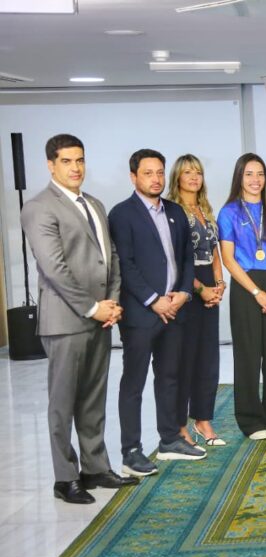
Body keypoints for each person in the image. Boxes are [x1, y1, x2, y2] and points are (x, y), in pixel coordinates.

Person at [21, 134, 137, 504]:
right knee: (63, 402)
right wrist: (92, 307)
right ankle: (64, 478)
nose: (75, 168)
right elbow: (54, 268)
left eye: (80, 160)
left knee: (92, 398)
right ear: (51, 165)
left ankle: (95, 467)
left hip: (100, 316)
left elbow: (111, 259)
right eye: (67, 161)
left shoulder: (95, 204)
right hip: (66, 320)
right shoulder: (39, 207)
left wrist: (113, 303)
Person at [109, 149, 205, 477]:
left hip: (175, 310)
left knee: (170, 377)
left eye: (160, 172)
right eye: (148, 173)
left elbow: (186, 258)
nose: (156, 179)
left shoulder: (176, 212)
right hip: (141, 315)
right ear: (133, 176)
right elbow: (126, 263)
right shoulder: (122, 214)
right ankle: (131, 451)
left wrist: (181, 294)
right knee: (133, 382)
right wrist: (154, 300)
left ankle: (169, 441)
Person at [218, 153, 266, 440]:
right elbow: (228, 259)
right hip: (246, 285)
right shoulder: (229, 213)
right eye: (249, 174)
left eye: (260, 174)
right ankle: (251, 419)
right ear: (239, 177)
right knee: (248, 355)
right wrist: (257, 292)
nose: (255, 180)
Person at [167, 154, 226, 446]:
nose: (194, 177)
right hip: (186, 289)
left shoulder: (205, 209)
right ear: (177, 177)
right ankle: (179, 426)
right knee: (185, 360)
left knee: (208, 360)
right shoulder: (172, 210)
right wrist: (201, 289)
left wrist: (218, 285)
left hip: (209, 288)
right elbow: (176, 260)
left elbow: (215, 252)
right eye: (188, 172)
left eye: (198, 172)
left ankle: (203, 419)